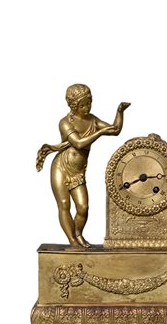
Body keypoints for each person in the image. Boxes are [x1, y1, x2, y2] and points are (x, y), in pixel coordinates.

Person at [36, 84, 130, 248]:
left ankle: (78, 233)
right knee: (64, 204)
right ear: (73, 106)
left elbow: (115, 130)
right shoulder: (65, 122)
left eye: (89, 103)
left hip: (78, 171)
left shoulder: (92, 119)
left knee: (83, 207)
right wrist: (100, 132)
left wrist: (120, 112)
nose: (87, 107)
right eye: (83, 105)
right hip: (61, 168)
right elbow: (79, 143)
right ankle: (72, 240)